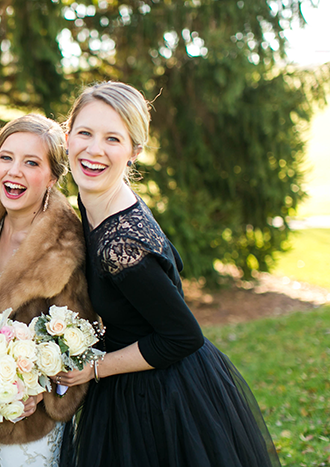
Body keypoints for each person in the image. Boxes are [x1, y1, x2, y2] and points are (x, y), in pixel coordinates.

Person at [55, 81, 281, 467]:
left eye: (113, 138)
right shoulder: (96, 197)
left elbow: (183, 335)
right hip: (129, 378)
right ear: (68, 135)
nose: (94, 149)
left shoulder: (121, 245)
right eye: (85, 133)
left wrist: (93, 369)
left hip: (157, 395)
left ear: (134, 152)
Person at [0, 114, 98, 467]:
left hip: (30, 423)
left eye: (31, 162)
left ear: (53, 176)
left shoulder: (64, 247)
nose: (14, 171)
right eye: (6, 157)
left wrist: (41, 390)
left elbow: (79, 341)